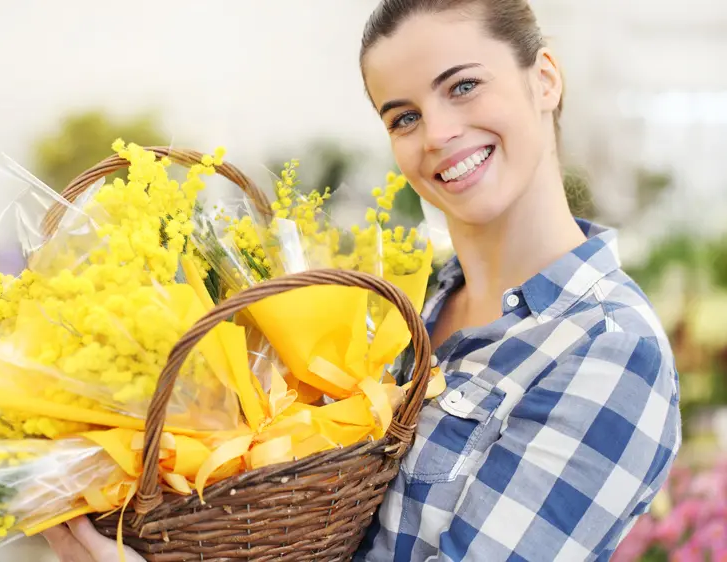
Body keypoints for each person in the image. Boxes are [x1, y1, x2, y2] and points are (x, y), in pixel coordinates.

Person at [48, 0, 682, 559]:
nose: (437, 134)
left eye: (462, 87)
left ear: (544, 79)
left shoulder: (609, 351)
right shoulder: (398, 316)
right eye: (403, 117)